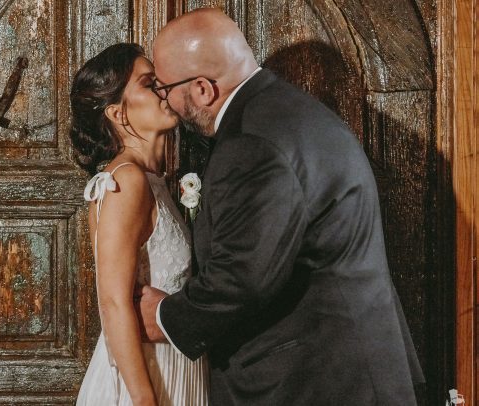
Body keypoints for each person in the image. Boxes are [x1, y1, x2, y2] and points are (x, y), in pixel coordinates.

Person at [136, 8, 425, 405]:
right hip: (348, 367)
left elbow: (243, 275)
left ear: (203, 89)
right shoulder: (287, 111)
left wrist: (165, 318)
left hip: (317, 380)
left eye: (165, 88)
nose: (164, 100)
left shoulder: (251, 143)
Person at [69, 43, 209, 406]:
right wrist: (145, 400)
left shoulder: (153, 180)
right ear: (118, 113)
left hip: (177, 365)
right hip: (147, 376)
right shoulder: (125, 182)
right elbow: (114, 303)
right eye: (149, 84)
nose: (164, 90)